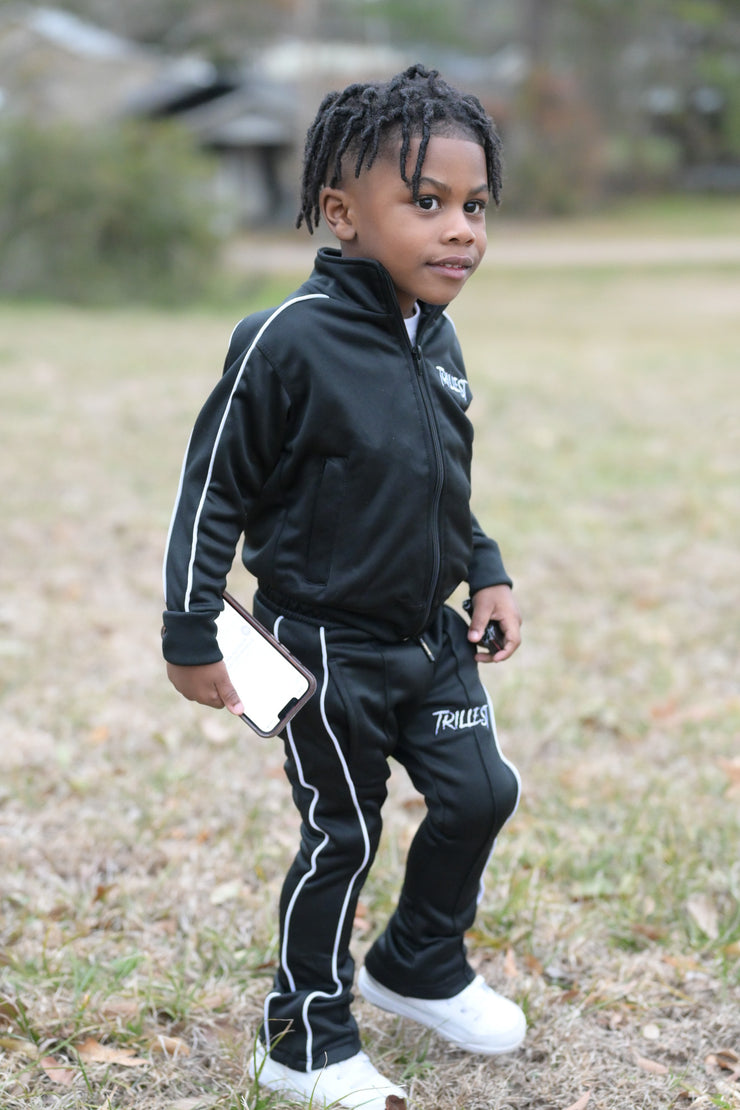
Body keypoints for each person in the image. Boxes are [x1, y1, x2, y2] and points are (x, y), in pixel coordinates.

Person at [162, 64, 525, 1110]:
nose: (459, 230)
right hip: (320, 647)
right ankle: (302, 1035)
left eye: (473, 207)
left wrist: (486, 569)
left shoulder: (436, 337)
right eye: (426, 203)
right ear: (341, 212)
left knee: (481, 791)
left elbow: (438, 487)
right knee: (345, 833)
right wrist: (190, 630)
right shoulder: (284, 341)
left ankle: (417, 963)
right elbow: (210, 494)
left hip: (428, 636)